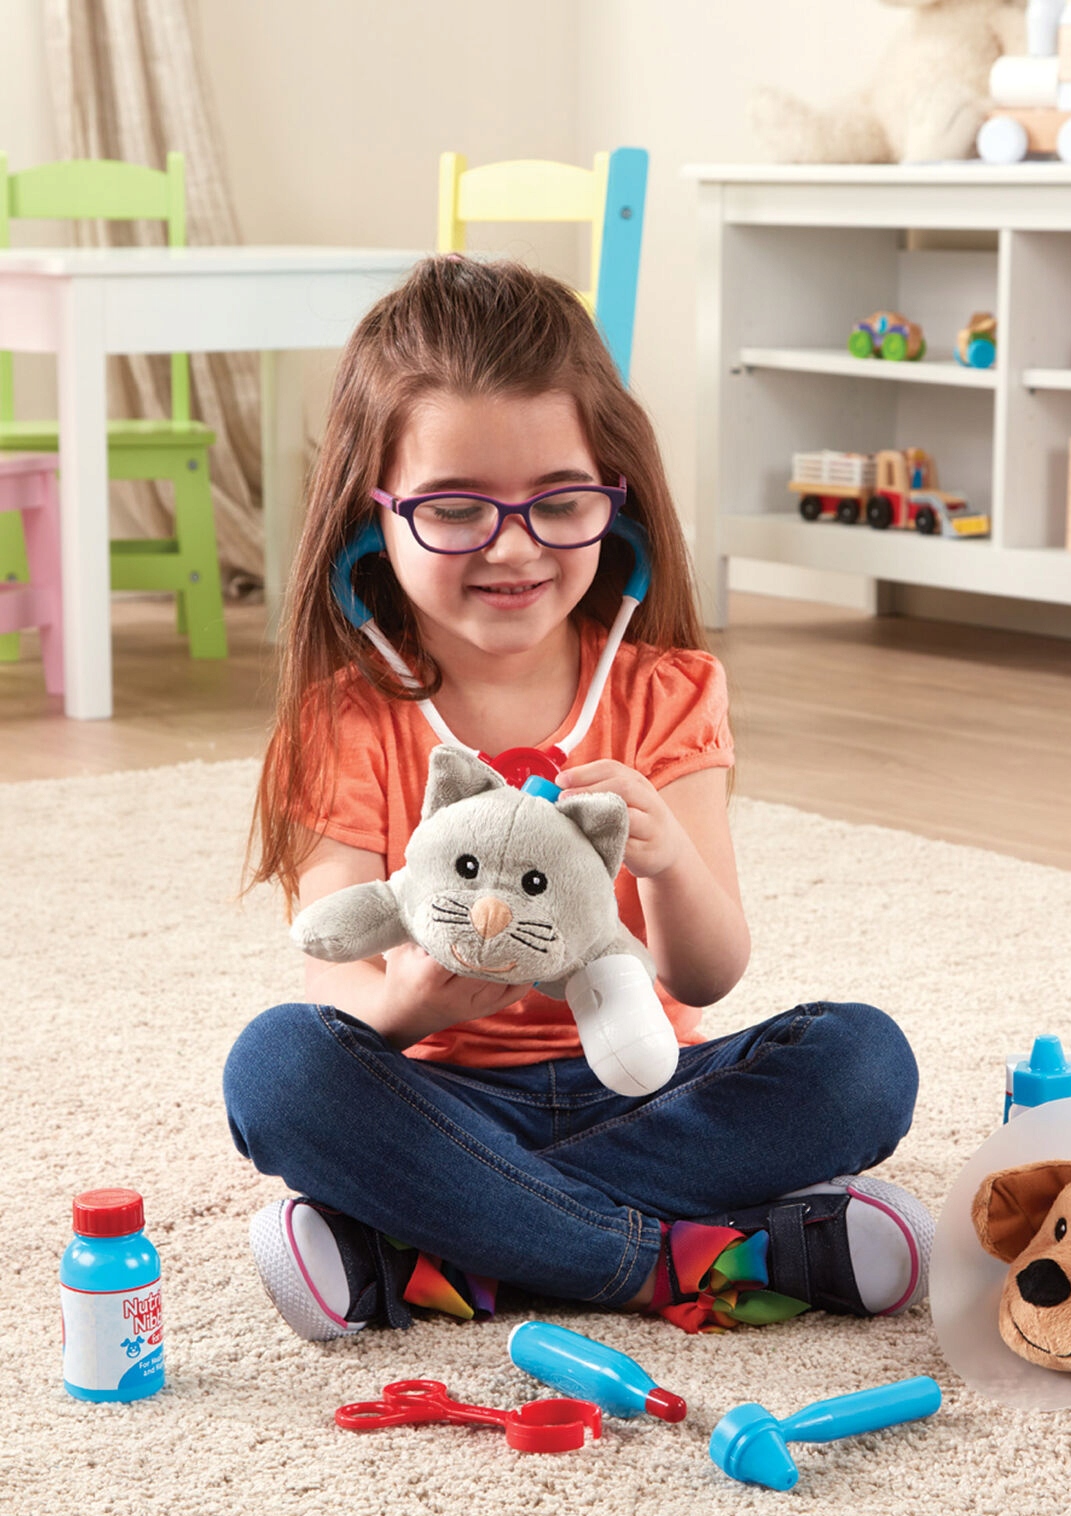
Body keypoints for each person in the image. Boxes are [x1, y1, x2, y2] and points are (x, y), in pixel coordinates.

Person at [224, 254, 928, 1340]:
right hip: (440, 1104)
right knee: (276, 1070)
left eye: (559, 501)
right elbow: (338, 994)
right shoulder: (342, 718)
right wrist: (414, 1000)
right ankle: (673, 1259)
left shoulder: (667, 691)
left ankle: (424, 1248)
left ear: (616, 498)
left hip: (649, 1083)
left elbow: (708, 971)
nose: (512, 546)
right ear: (373, 519)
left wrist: (671, 862)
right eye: (454, 509)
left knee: (862, 1062)